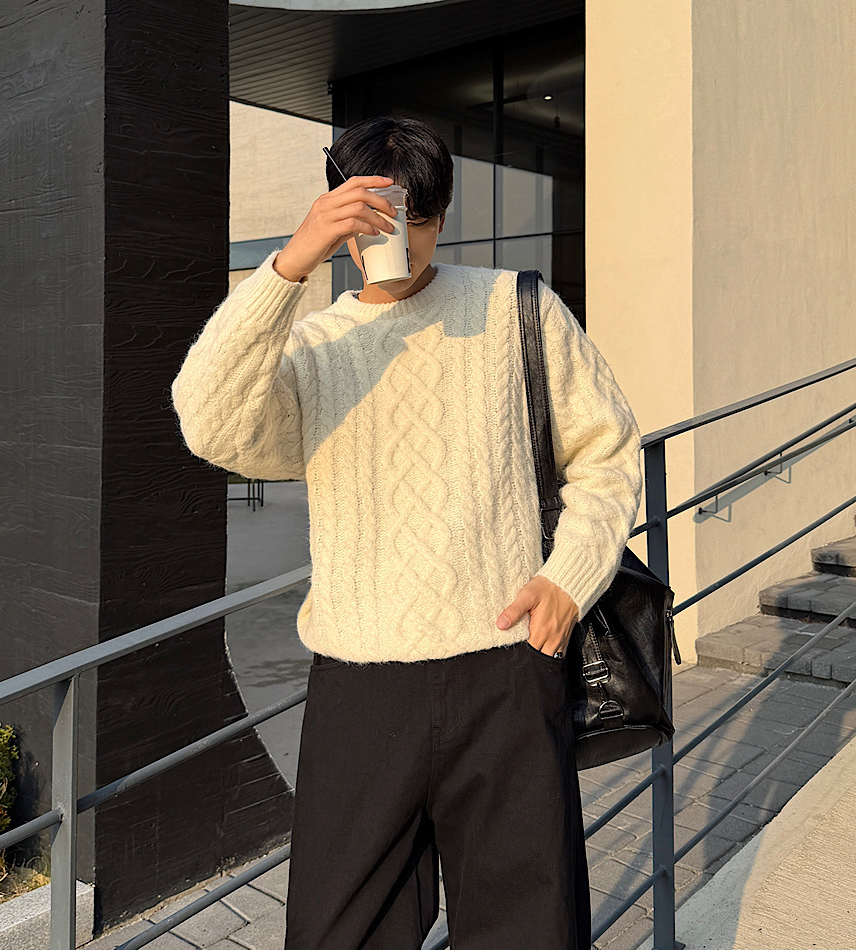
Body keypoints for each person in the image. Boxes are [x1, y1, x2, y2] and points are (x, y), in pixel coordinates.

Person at [171, 115, 643, 950]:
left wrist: (567, 580)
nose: (400, 238)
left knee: (531, 932)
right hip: (361, 686)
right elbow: (207, 420)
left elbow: (606, 451)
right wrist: (290, 263)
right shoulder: (313, 348)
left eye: (416, 217)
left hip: (505, 669)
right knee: (335, 933)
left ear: (441, 215)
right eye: (377, 216)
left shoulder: (517, 310)